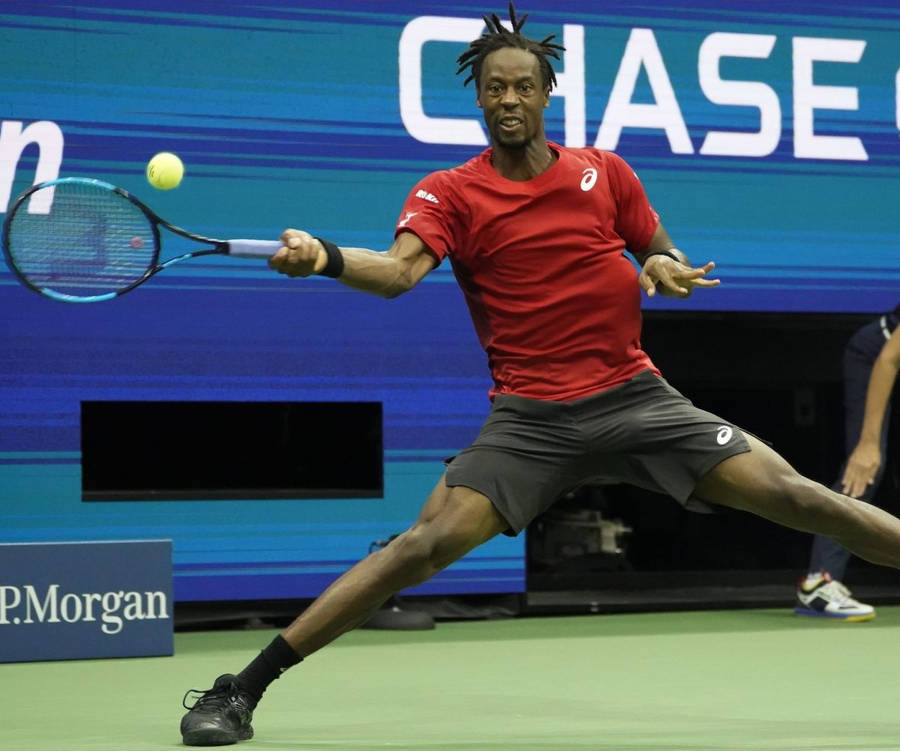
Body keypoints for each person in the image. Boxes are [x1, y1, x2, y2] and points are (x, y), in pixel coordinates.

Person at [179, 5, 900, 745]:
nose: (509, 100)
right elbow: (397, 273)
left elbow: (660, 251)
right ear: (479, 98)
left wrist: (661, 263)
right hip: (533, 419)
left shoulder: (604, 172)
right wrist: (323, 256)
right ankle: (241, 690)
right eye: (495, 88)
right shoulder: (451, 193)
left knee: (799, 496)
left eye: (523, 86)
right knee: (417, 550)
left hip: (637, 397)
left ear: (546, 93)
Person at [794, 304, 900, 621]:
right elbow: (889, 359)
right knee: (865, 466)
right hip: (877, 358)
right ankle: (818, 584)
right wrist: (867, 444)